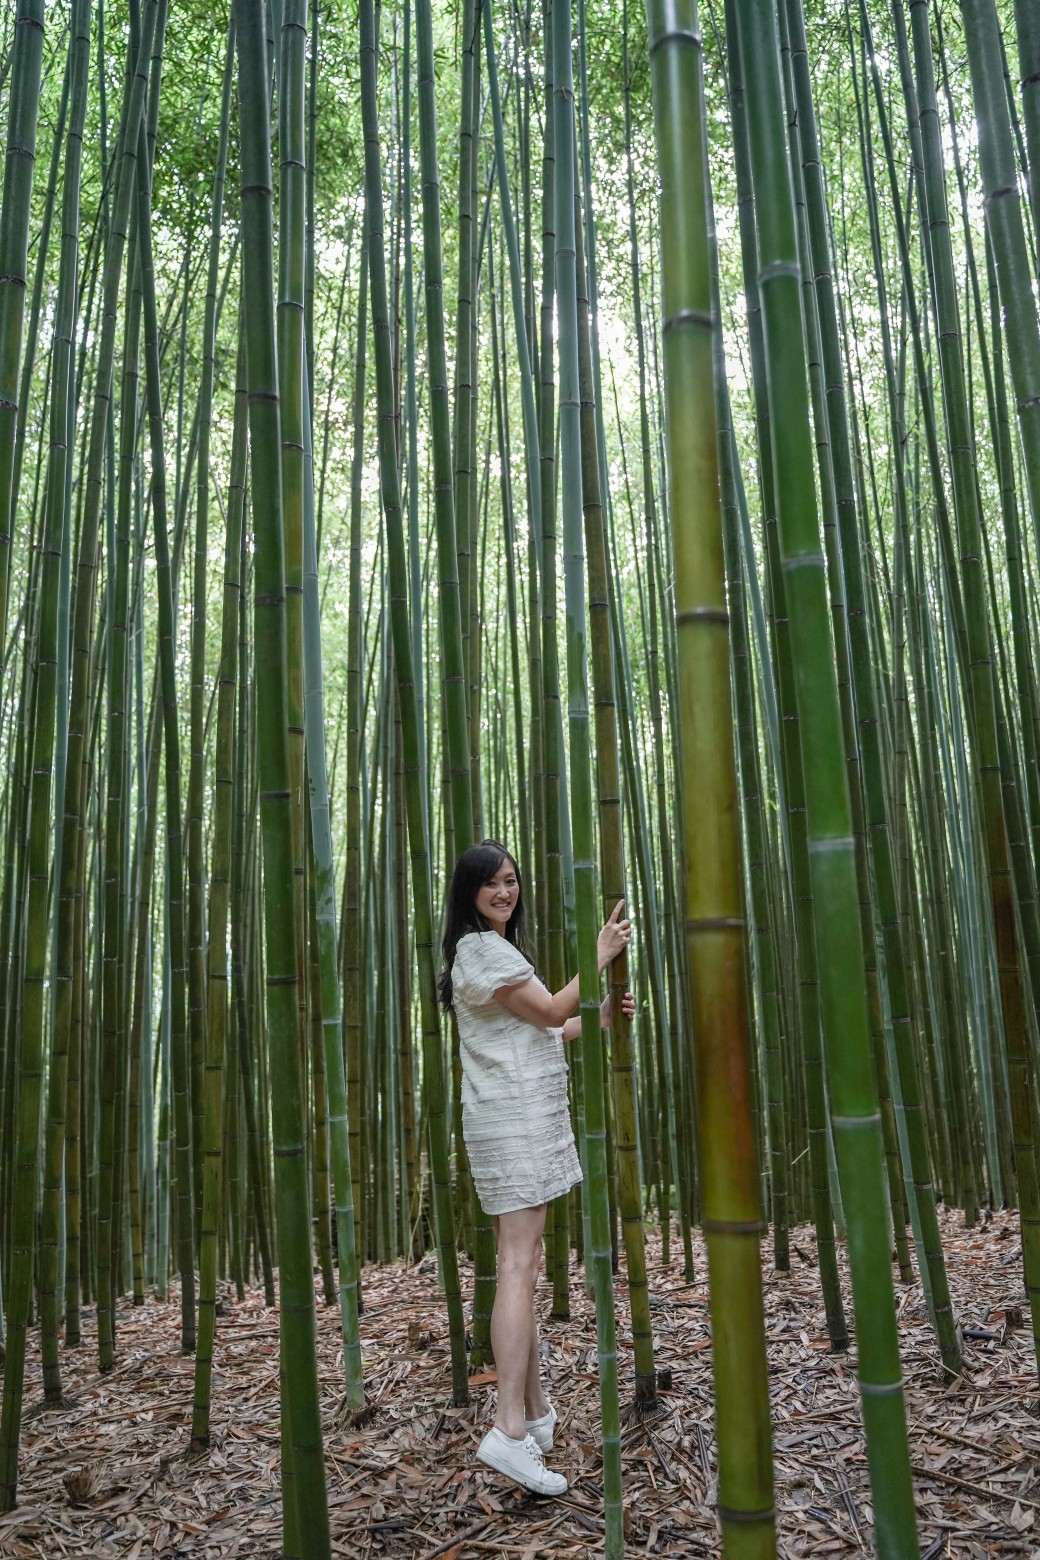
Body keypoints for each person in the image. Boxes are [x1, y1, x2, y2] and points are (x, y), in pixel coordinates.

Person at [439, 840, 634, 1497]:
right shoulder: (482, 950)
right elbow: (552, 1007)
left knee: (513, 1263)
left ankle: (538, 1411)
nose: (505, 892)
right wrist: (598, 956)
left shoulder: (488, 952)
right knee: (519, 1269)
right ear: (468, 892)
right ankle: (510, 1429)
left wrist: (600, 1017)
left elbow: (541, 1028)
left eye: (512, 881)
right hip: (514, 1122)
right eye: (491, 883)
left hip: (511, 1118)